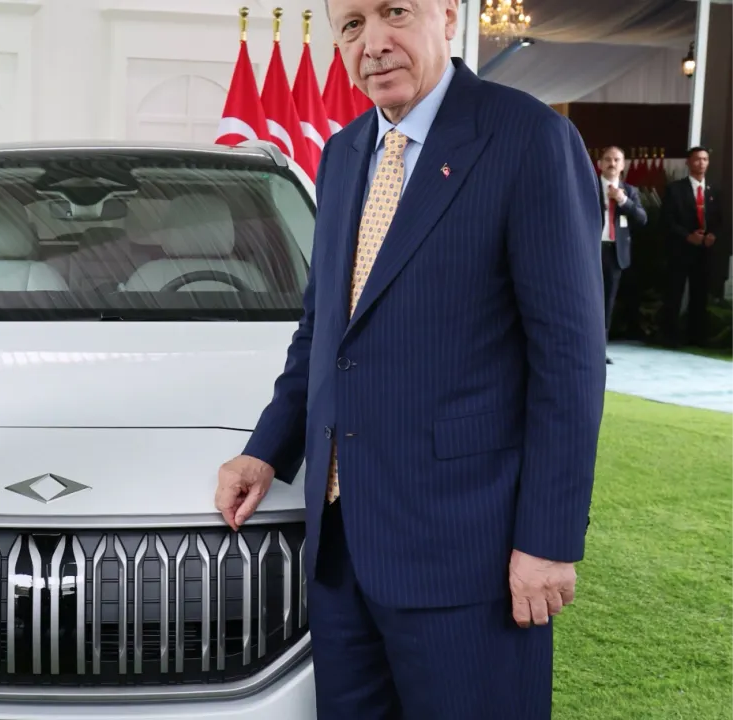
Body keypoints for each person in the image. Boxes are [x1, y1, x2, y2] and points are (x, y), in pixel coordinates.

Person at [212, 0, 605, 717]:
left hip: (469, 559)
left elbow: (569, 362)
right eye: (352, 24)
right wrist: (265, 449)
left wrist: (548, 542)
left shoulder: (529, 139)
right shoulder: (342, 154)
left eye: (394, 11)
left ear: (447, 15)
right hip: (342, 558)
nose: (373, 42)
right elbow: (324, 332)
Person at [659, 146, 722, 348]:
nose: (701, 163)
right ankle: (669, 335)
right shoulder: (675, 189)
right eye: (697, 159)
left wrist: (713, 235)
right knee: (674, 292)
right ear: (688, 162)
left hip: (704, 252)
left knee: (700, 294)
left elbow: (720, 219)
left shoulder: (714, 190)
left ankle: (697, 337)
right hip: (680, 249)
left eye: (705, 159)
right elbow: (667, 220)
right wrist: (687, 236)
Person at [596, 146, 647, 363]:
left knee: (607, 302)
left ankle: (600, 351)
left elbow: (642, 218)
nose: (612, 163)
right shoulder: (589, 186)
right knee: (588, 301)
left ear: (623, 165)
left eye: (617, 160)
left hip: (615, 253)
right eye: (608, 159)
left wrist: (623, 200)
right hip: (591, 251)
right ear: (599, 164)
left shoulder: (629, 190)